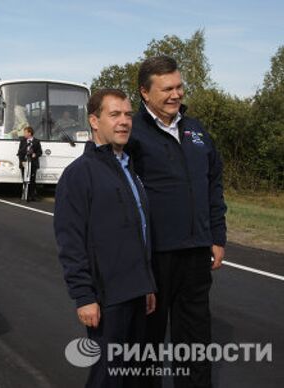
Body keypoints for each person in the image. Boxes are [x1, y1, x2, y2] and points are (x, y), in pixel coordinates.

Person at [126, 56, 227, 388]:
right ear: (144, 92)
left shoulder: (196, 130)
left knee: (196, 342)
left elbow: (213, 183)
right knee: (147, 344)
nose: (176, 94)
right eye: (167, 88)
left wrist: (217, 236)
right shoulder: (132, 133)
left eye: (179, 86)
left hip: (196, 252)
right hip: (153, 255)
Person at [54, 89, 156, 388]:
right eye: (115, 115)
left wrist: (147, 282)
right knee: (108, 376)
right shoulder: (79, 174)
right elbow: (70, 242)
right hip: (107, 297)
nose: (124, 121)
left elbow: (141, 232)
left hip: (138, 291)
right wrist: (84, 297)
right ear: (94, 121)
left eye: (127, 114)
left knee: (133, 375)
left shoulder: (130, 169)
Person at [17, 126, 42, 201]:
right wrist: (21, 161)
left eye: (25, 132)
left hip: (33, 163)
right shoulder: (23, 141)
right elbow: (20, 152)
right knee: (24, 179)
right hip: (24, 163)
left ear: (29, 133)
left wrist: (35, 154)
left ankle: (32, 196)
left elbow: (40, 152)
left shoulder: (36, 141)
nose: (24, 134)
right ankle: (25, 195)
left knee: (32, 180)